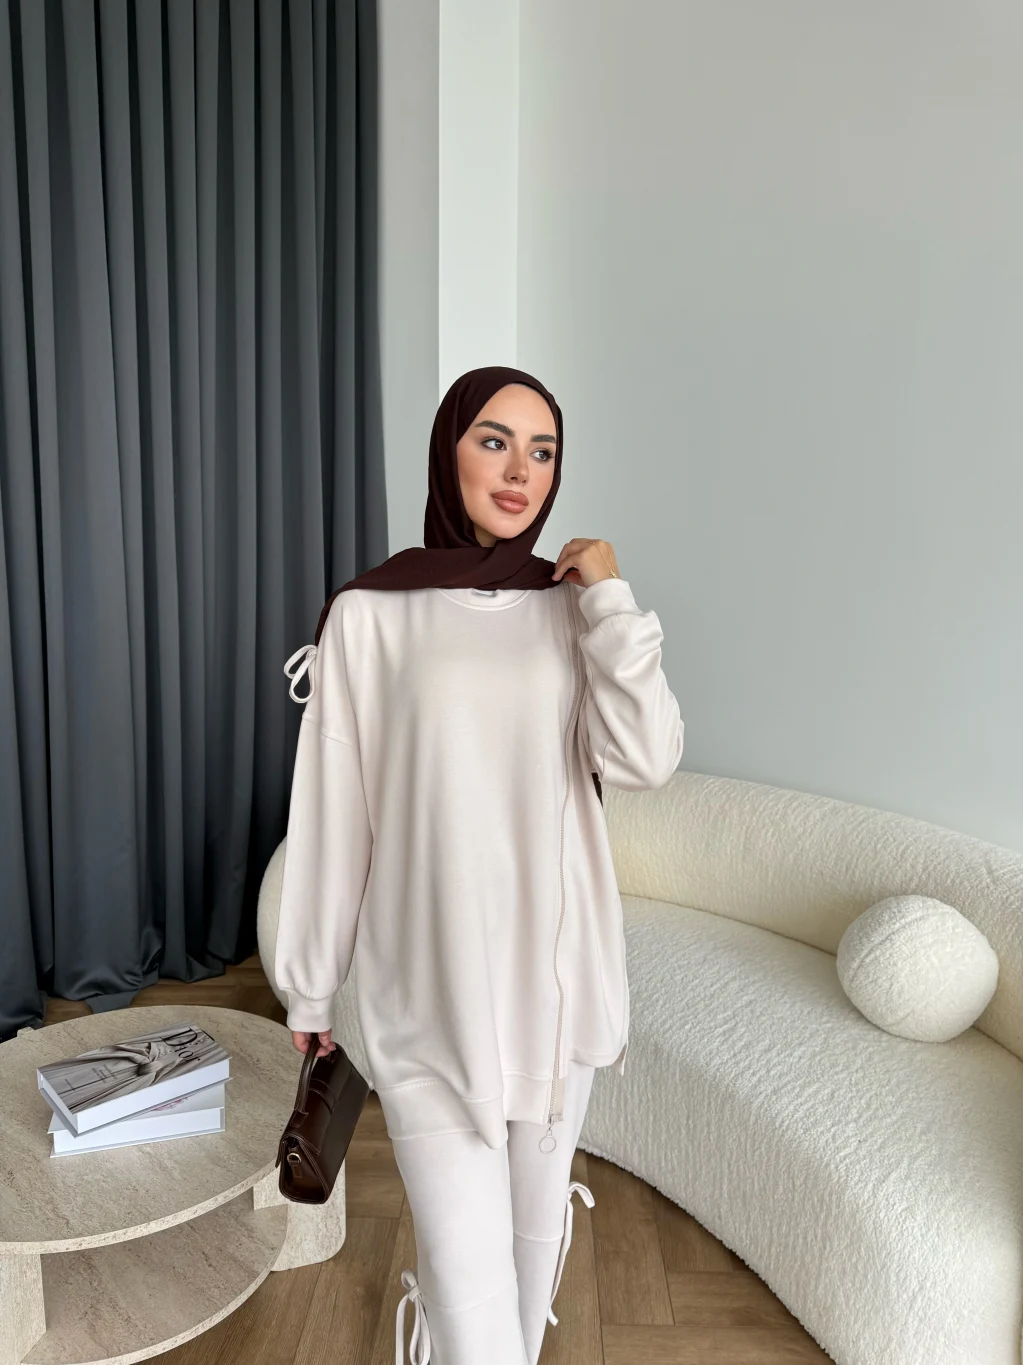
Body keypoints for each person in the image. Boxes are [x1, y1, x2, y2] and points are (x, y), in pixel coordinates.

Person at [274, 366, 684, 1363]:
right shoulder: (370, 614)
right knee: (474, 1309)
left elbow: (646, 758)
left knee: (529, 1280)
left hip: (556, 1002)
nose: (519, 471)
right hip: (428, 997)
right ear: (447, 449)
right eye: (494, 441)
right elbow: (335, 812)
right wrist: (311, 985)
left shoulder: (571, 609)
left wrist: (611, 599)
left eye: (542, 451)